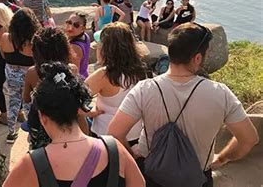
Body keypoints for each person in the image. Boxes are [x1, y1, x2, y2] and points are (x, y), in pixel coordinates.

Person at [109, 23, 259, 187]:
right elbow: (249, 139)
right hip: (196, 177)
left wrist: (132, 155)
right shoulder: (221, 94)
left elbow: (115, 132)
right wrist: (223, 158)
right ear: (197, 58)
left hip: (150, 173)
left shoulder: (145, 89)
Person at [4, 62, 145, 187]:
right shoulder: (115, 149)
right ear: (78, 109)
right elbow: (139, 184)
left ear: (42, 116)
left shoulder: (31, 164)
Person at [85, 23, 146, 149]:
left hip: (105, 138)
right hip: (135, 136)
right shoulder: (142, 71)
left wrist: (89, 113)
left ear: (106, 49)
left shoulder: (104, 75)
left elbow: (71, 100)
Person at [23, 27, 81, 149]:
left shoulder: (32, 73)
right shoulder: (72, 70)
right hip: (67, 123)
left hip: (42, 125)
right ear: (65, 49)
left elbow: (26, 99)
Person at [0, 8, 41, 143]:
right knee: (29, 105)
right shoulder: (33, 42)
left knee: (12, 103)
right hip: (28, 77)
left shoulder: (5, 37)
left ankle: (11, 133)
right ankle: (32, 134)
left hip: (11, 75)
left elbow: (3, 55)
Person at [64, 12, 91, 79]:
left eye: (76, 25)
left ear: (83, 28)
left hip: (78, 82)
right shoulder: (85, 36)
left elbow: (74, 73)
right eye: (69, 22)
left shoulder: (74, 47)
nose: (71, 27)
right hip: (85, 75)